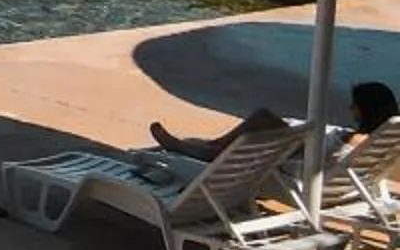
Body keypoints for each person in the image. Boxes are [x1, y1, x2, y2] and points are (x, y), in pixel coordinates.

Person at [149, 83, 397, 164]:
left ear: (367, 109)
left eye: (355, 105)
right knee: (263, 121)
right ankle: (210, 147)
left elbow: (324, 153)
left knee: (262, 117)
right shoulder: (382, 138)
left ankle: (203, 151)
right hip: (303, 146)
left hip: (298, 155)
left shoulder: (356, 140)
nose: (350, 108)